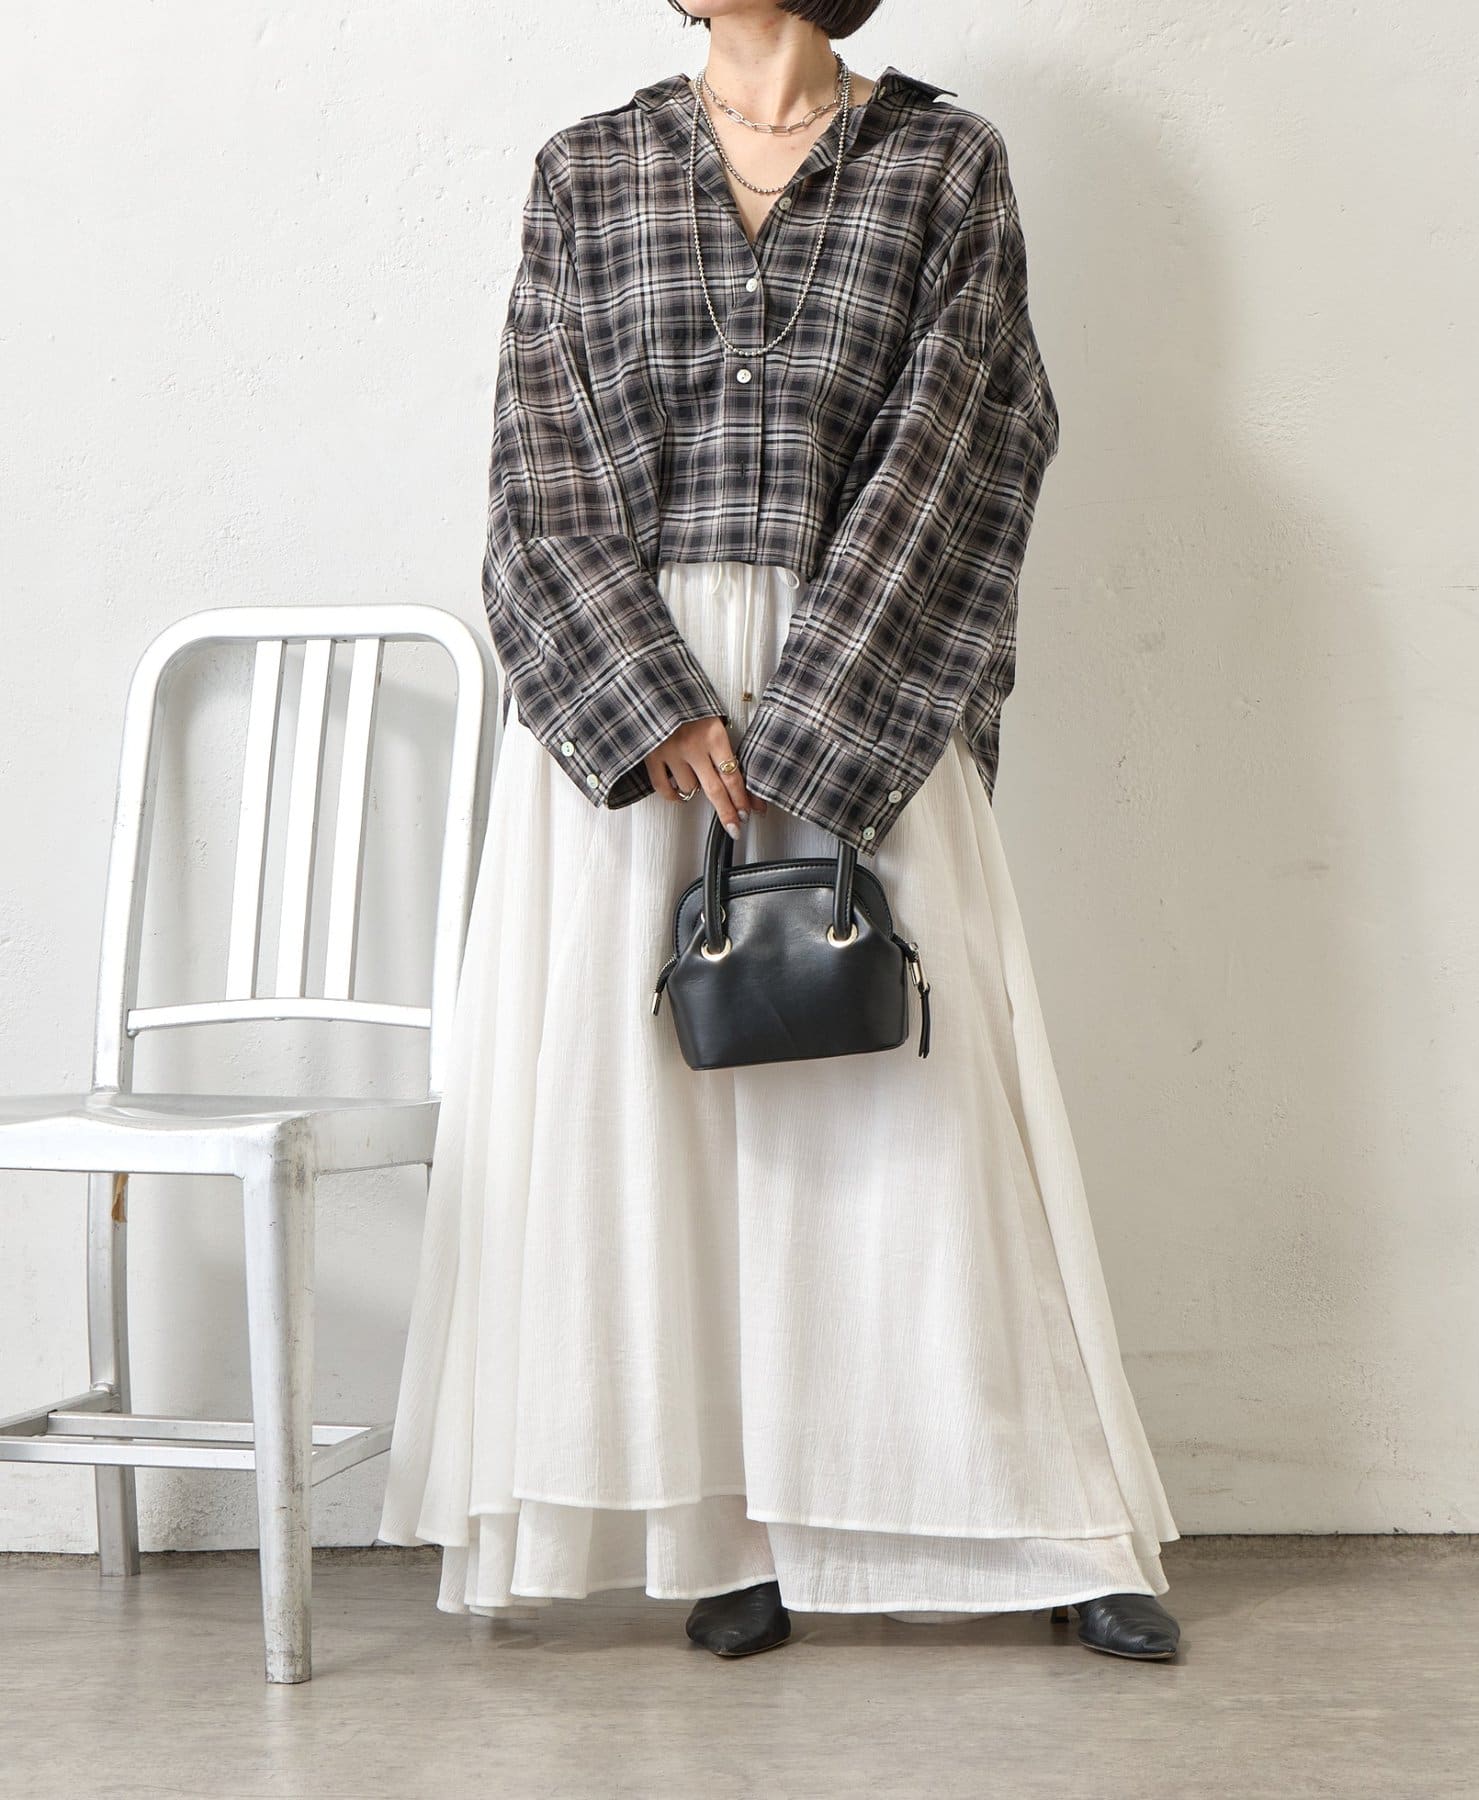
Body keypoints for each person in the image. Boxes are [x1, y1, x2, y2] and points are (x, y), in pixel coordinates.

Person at [377, 0, 1183, 1664]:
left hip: (865, 667)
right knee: (656, 1132)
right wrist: (650, 698)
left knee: (926, 1112)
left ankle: (1050, 1526)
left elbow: (968, 444)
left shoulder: (944, 164)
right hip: (644, 712)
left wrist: (822, 720)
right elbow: (537, 464)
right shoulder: (589, 171)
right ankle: (726, 1530)